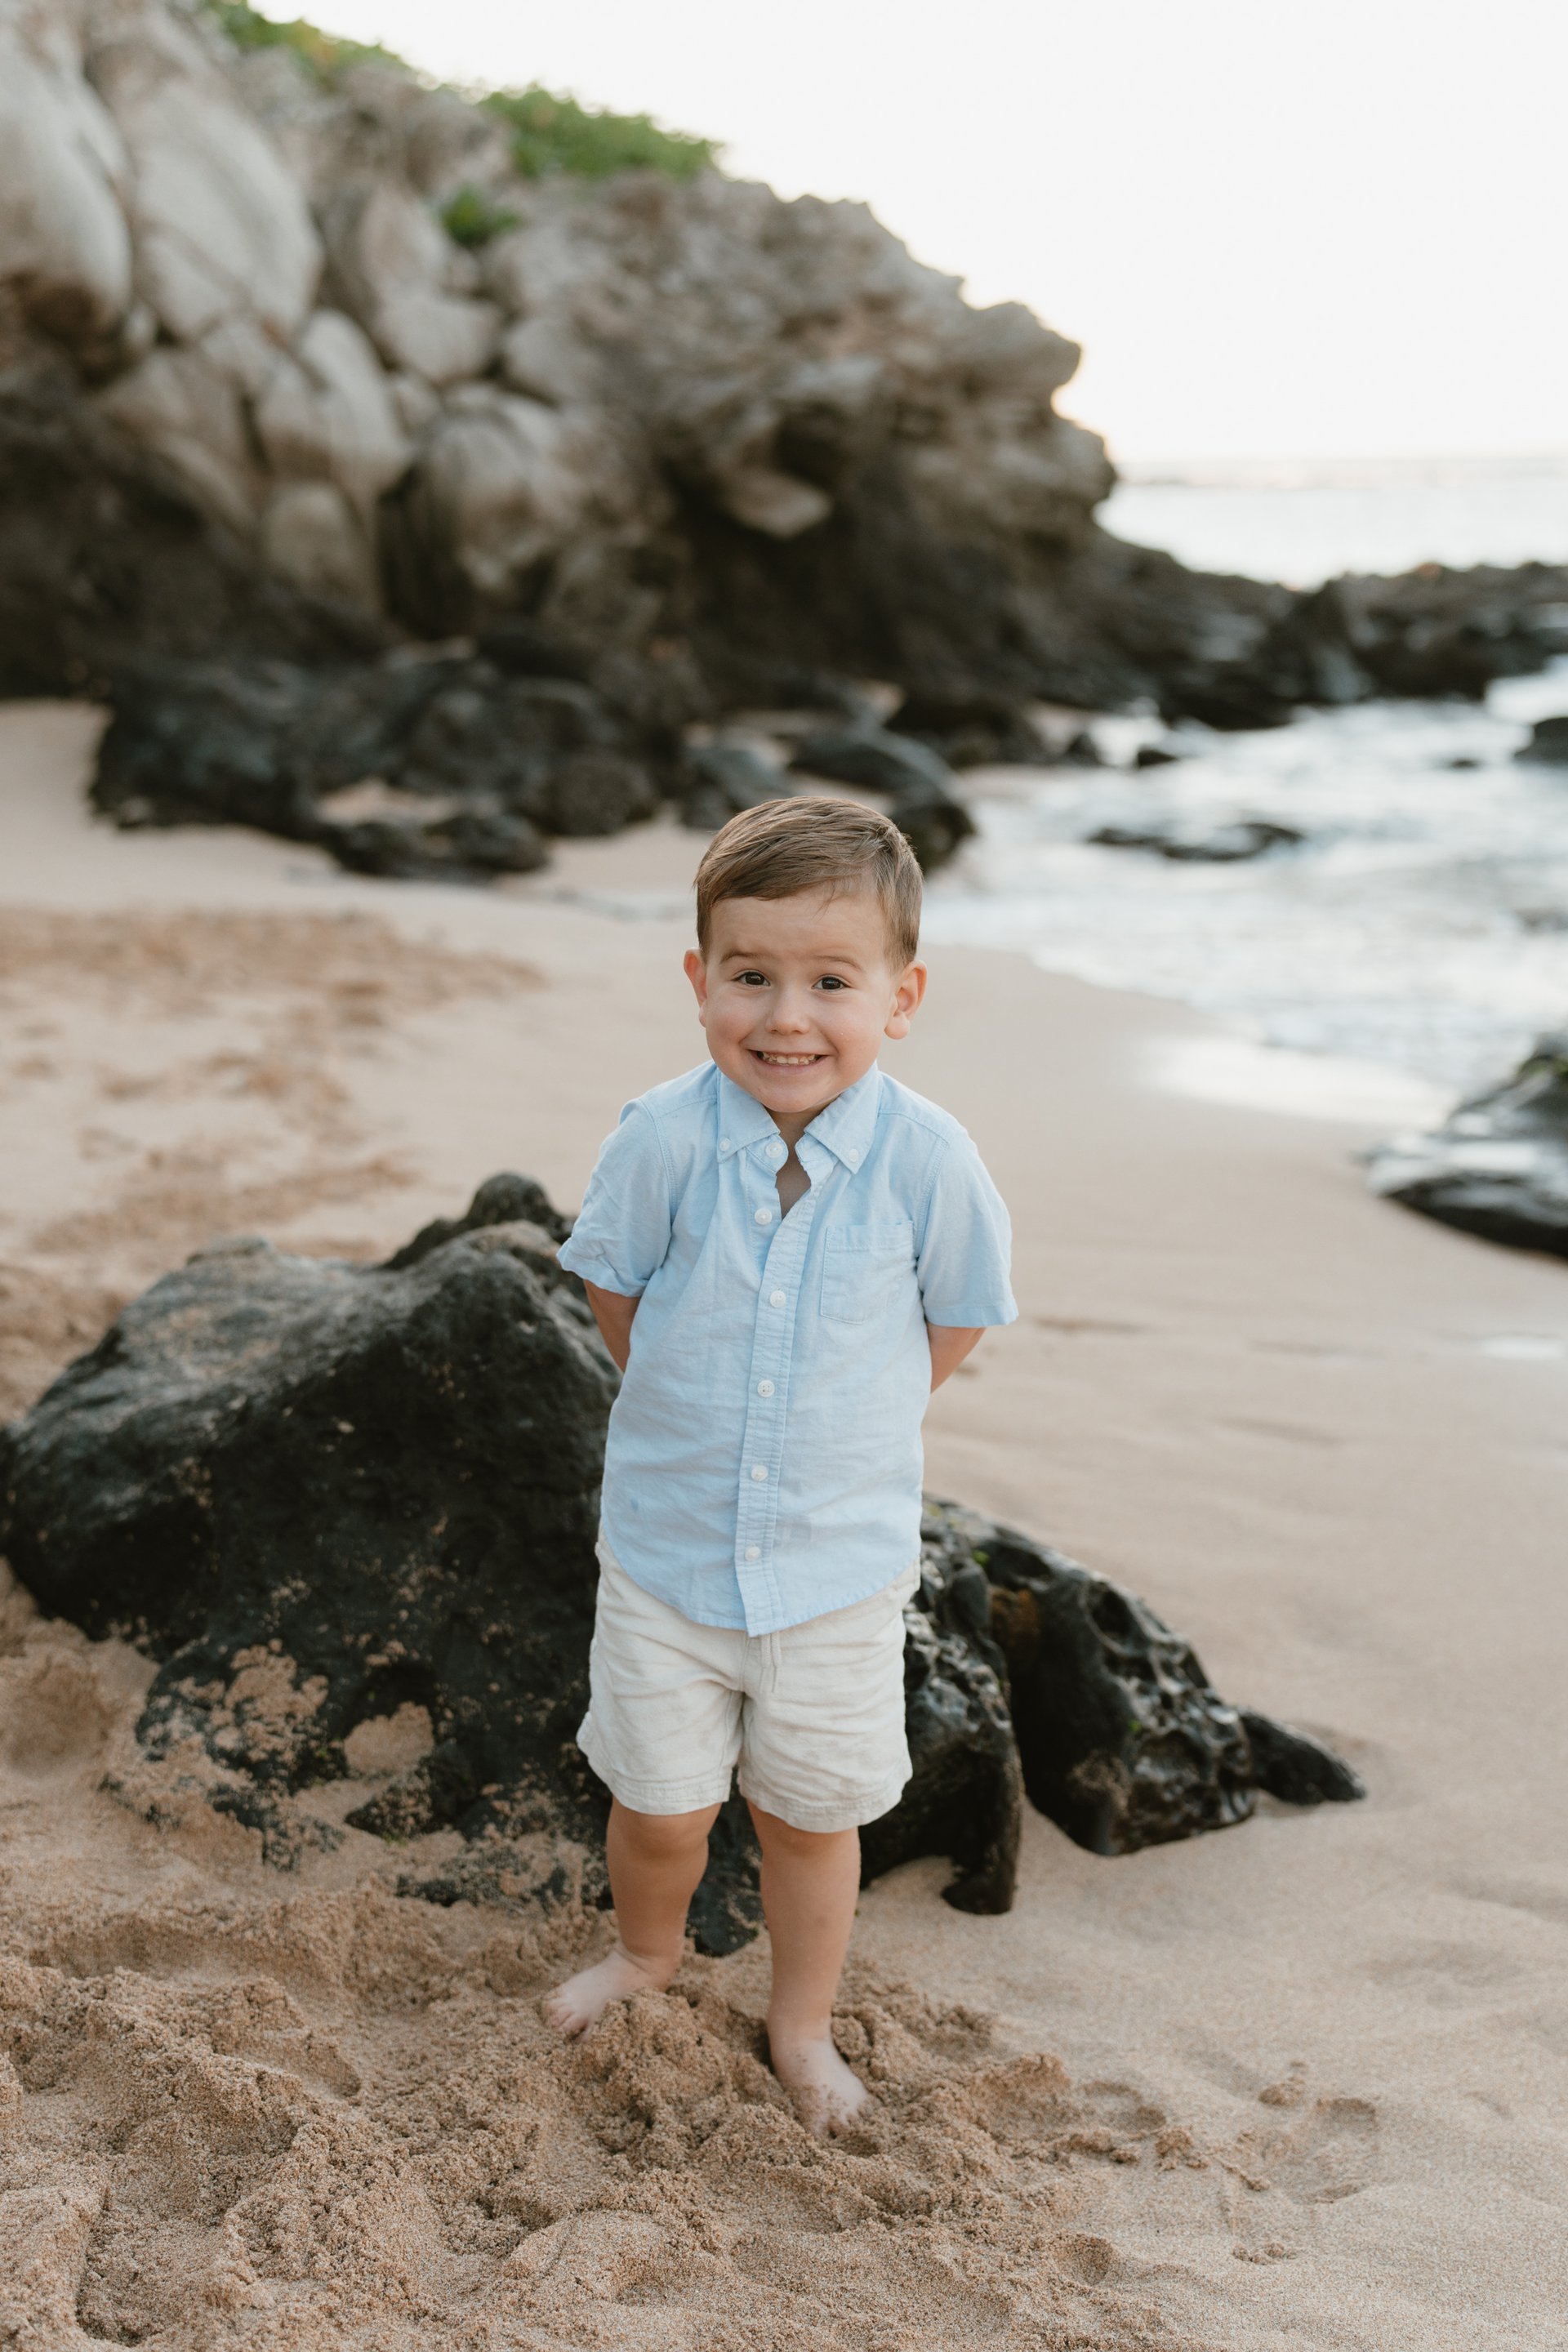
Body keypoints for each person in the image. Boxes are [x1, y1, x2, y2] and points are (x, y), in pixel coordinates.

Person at [548, 795, 1017, 2131]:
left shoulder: (930, 1161)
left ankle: (799, 2022)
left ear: (901, 998)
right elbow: (617, 1292)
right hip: (667, 1556)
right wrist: (679, 1400)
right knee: (660, 1807)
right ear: (699, 980)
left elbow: (956, 1316)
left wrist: (863, 1417)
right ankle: (647, 1956)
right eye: (750, 977)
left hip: (835, 1572)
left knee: (813, 1819)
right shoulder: (661, 1138)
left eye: (831, 983)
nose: (786, 1018)